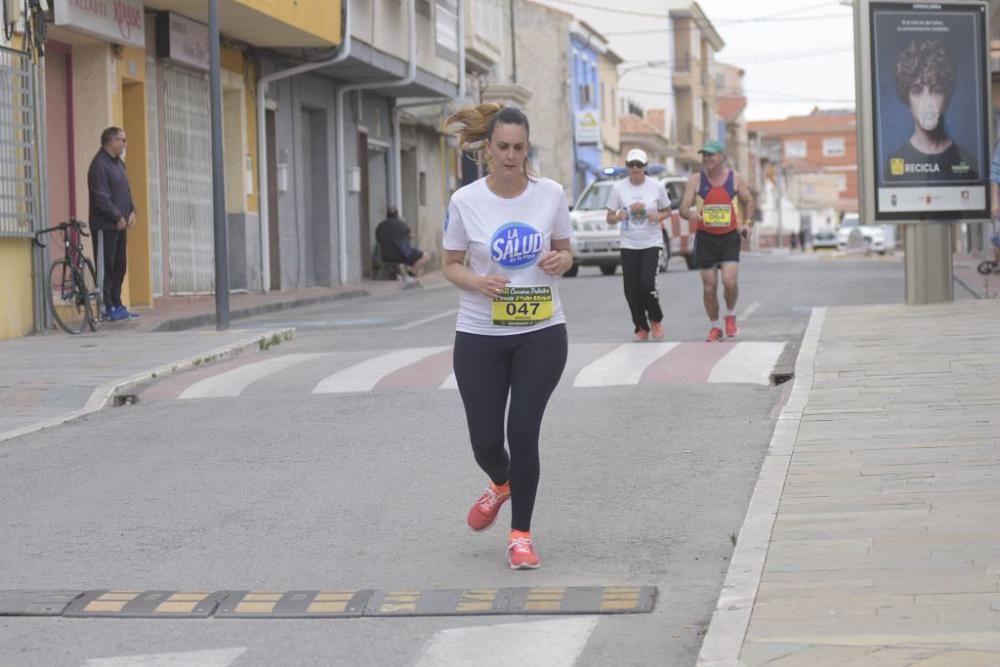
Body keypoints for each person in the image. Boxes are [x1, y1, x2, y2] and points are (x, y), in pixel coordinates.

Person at [442, 103, 573, 570]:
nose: (511, 156)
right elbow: (450, 264)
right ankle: (500, 483)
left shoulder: (551, 194)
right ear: (488, 148)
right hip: (480, 333)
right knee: (484, 441)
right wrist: (477, 282)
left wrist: (563, 262)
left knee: (522, 431)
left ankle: (520, 535)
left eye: (519, 148)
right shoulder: (466, 201)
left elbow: (564, 252)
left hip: (541, 331)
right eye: (503, 147)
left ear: (527, 148)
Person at [679, 140, 755, 342]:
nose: (707, 159)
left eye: (711, 155)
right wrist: (691, 215)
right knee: (709, 286)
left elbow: (748, 201)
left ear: (722, 157)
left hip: (729, 237)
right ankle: (715, 327)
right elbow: (683, 209)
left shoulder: (735, 179)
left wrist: (747, 223)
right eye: (704, 155)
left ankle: (730, 315)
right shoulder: (696, 180)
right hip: (706, 239)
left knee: (729, 281)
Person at [885, 39, 977, 183]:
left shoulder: (967, 161)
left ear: (947, 98)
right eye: (917, 91)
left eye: (936, 90)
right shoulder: (894, 163)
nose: (927, 102)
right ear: (907, 99)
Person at [606, 148, 671, 342]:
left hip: (651, 242)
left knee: (647, 285)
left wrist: (656, 216)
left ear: (645, 167)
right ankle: (640, 326)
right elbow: (609, 217)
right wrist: (620, 215)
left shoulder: (656, 187)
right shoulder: (618, 188)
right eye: (632, 165)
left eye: (639, 165)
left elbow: (667, 210)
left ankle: (656, 319)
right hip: (629, 243)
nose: (635, 168)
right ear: (626, 167)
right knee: (631, 290)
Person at [87, 126, 136, 322]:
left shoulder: (119, 164)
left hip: (121, 225)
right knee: (106, 266)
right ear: (111, 142)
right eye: (121, 140)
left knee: (119, 266)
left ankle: (117, 303)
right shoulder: (99, 165)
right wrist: (117, 216)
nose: (124, 144)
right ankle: (106, 306)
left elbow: (126, 189)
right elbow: (101, 198)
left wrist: (132, 211)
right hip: (105, 225)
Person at [375, 206, 430, 278]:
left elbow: (378, 240)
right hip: (401, 255)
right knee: (425, 256)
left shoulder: (380, 226)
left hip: (385, 256)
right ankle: (411, 273)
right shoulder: (402, 224)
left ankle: (402, 273)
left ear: (387, 215)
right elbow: (411, 236)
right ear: (397, 215)